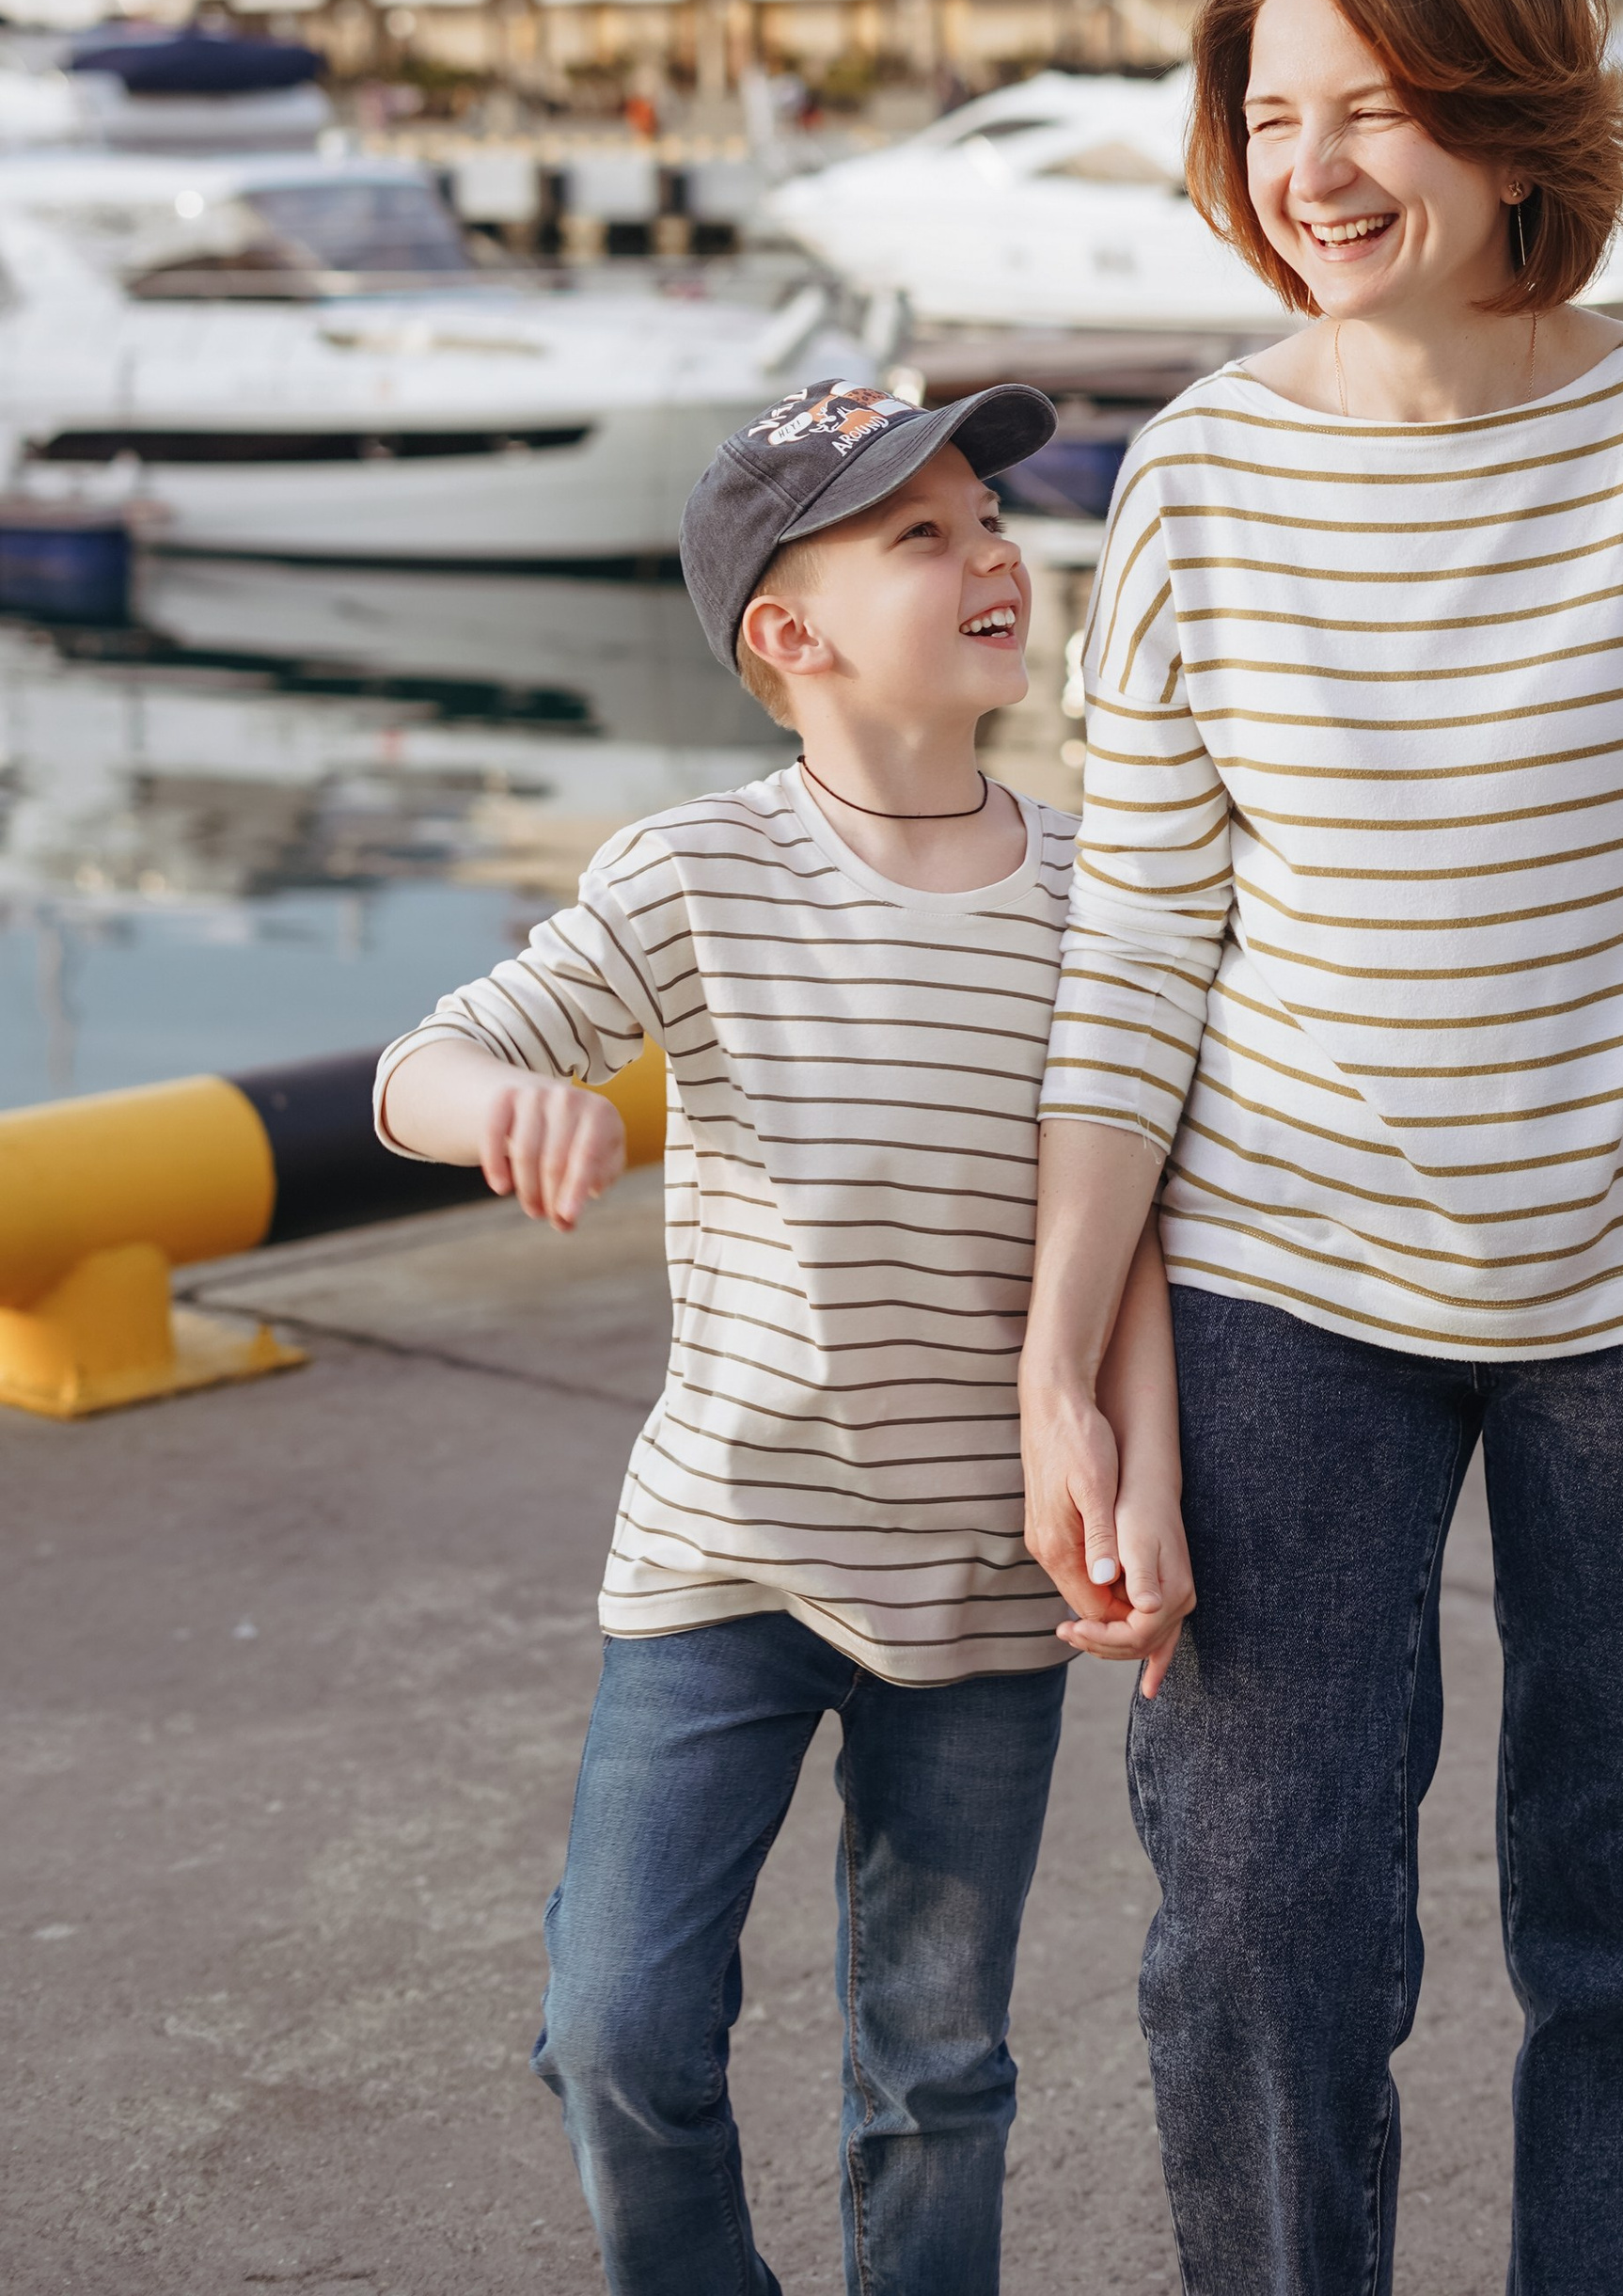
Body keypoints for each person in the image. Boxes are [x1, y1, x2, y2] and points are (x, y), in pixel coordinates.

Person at [1018, 0, 1623, 2296]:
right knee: (1263, 1920)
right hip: (1289, 1273)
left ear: (1513, 133)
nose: (1308, 167)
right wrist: (1061, 1364)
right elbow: (1134, 944)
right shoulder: (1189, 478)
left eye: (1372, 109)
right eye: (1268, 114)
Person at [375, 381, 1191, 2296]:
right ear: (788, 636)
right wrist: (499, 1104)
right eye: (918, 535)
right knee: (618, 2027)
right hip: (722, 1559)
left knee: (936, 2072)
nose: (991, 551)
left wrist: (1145, 1492)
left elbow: (1139, 1219)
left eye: (989, 513)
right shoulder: (691, 877)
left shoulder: (1102, 890)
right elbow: (433, 1053)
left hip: (988, 1586)